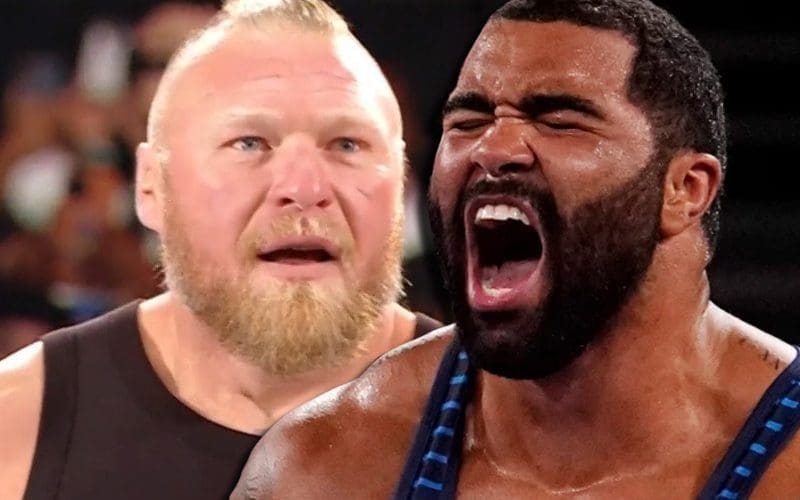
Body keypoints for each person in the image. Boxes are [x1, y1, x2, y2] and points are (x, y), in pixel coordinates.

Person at [233, 0, 800, 498]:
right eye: (468, 120)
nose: (493, 147)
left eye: (559, 121)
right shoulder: (330, 465)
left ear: (685, 190)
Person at [0, 0, 442, 498]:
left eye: (347, 144)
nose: (304, 187)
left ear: (401, 181)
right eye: (249, 143)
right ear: (151, 185)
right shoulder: (17, 423)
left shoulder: (498, 419)